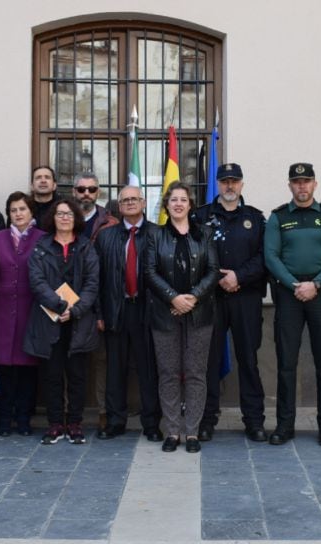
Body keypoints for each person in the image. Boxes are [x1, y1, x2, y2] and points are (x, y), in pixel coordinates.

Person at [264, 163, 321, 446]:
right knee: (286, 363)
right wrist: (294, 284)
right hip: (289, 294)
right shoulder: (278, 217)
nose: (301, 186)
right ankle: (285, 425)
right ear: (289, 186)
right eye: (296, 182)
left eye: (306, 181)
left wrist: (317, 284)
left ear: (315, 184)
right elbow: (271, 256)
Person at [192, 163, 268, 443]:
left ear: (242, 185)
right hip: (210, 299)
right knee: (208, 361)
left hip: (245, 297)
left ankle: (254, 421)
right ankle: (206, 419)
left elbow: (264, 257)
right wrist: (216, 279)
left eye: (234, 181)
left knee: (248, 359)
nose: (229, 186)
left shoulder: (256, 219)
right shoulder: (200, 217)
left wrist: (239, 276)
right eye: (224, 181)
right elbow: (193, 255)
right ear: (218, 184)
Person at [143, 181, 220, 453]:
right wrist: (173, 298)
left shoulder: (205, 234)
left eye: (183, 200)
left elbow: (213, 270)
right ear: (166, 205)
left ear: (190, 205)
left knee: (196, 373)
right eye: (173, 199)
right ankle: (173, 430)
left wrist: (193, 298)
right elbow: (150, 272)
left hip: (200, 314)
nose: (178, 204)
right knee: (168, 373)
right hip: (165, 314)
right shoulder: (154, 235)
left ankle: (192, 432)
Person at [26, 198, 100, 445]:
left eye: (69, 214)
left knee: (77, 375)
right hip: (49, 319)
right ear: (53, 218)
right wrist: (59, 306)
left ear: (76, 217)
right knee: (52, 375)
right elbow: (37, 281)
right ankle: (55, 424)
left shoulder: (86, 247)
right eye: (60, 214)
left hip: (79, 321)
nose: (65, 217)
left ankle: (75, 423)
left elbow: (92, 283)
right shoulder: (41, 246)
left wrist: (75, 310)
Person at [95, 186, 163, 442]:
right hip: (116, 309)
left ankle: (152, 423)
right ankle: (115, 421)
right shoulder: (106, 236)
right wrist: (100, 313)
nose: (130, 203)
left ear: (144, 203)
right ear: (119, 206)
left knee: (148, 369)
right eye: (125, 200)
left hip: (148, 311)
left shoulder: (158, 233)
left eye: (135, 199)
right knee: (115, 369)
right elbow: (98, 279)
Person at [0, 192, 46, 437]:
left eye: (22, 209)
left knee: (27, 371)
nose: (18, 214)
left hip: (31, 313)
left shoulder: (43, 239)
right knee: (5, 369)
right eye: (13, 210)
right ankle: (4, 419)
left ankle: (23, 419)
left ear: (31, 212)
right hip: (2, 314)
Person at [72, 172, 118, 431]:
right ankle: (70, 413)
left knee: (102, 360)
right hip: (68, 300)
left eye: (91, 189)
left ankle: (103, 410)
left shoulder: (109, 223)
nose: (86, 194)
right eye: (81, 189)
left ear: (98, 192)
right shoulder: (63, 218)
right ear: (74, 192)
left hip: (101, 299)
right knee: (71, 359)